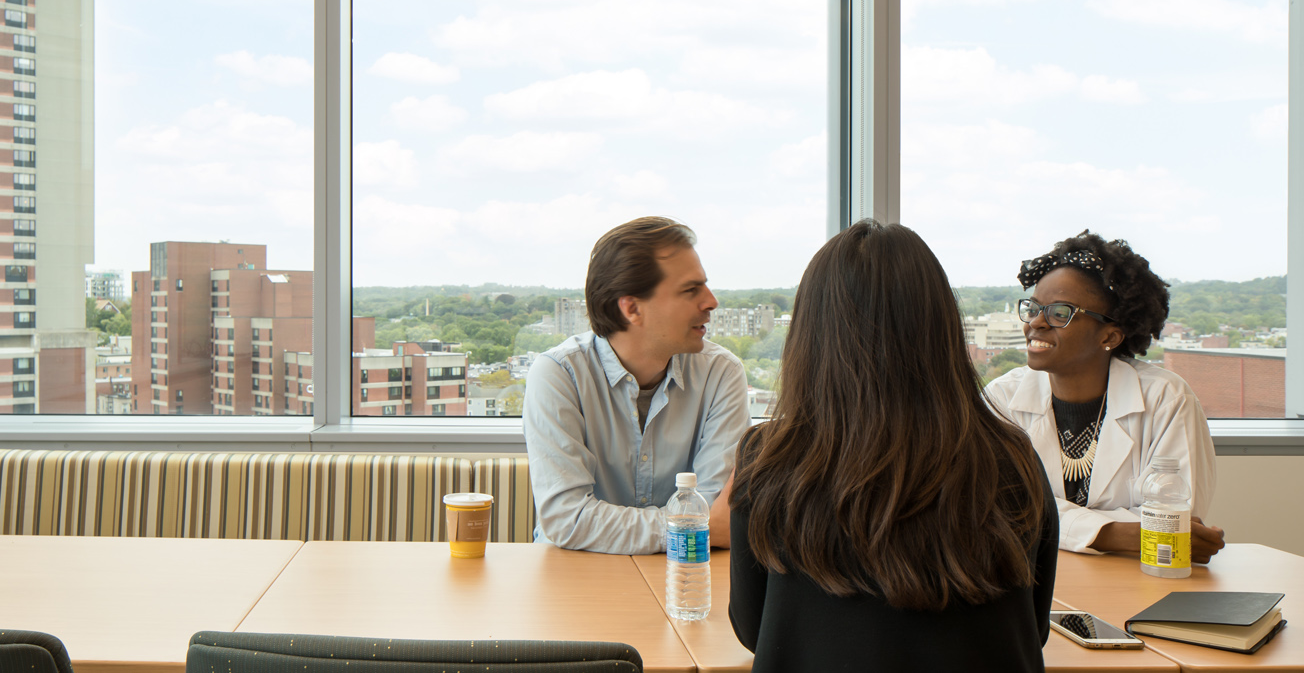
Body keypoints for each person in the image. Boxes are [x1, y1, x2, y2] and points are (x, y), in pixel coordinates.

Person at [730, 221, 1057, 673]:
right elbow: (1032, 629)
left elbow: (752, 628)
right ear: (942, 328)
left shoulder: (770, 458)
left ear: (809, 335)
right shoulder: (1013, 459)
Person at [984, 231, 1224, 559]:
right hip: (1031, 581)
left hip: (1139, 580)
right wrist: (1115, 533)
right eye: (1034, 307)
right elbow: (997, 510)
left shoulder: (1167, 400)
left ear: (1109, 336)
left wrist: (1056, 523)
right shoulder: (1001, 399)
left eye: (1059, 313)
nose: (1036, 324)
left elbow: (1175, 523)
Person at [523, 216, 750, 554]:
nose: (711, 301)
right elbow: (566, 519)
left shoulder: (722, 373)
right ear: (631, 308)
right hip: (575, 574)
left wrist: (698, 526)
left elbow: (717, 510)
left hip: (683, 574)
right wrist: (686, 527)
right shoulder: (559, 374)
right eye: (691, 290)